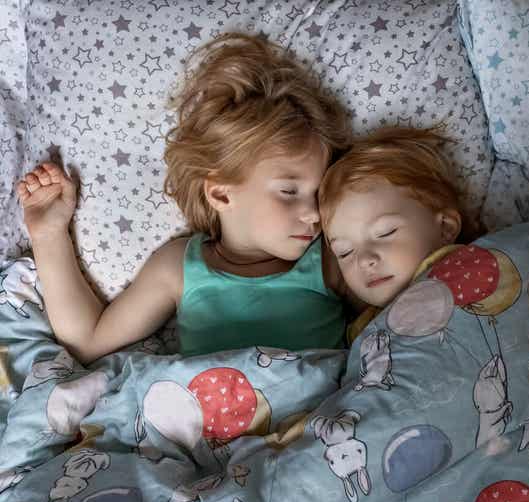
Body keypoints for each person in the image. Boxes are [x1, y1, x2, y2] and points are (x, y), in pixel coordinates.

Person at [15, 32, 354, 364]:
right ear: (221, 193)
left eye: (319, 193)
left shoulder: (332, 260)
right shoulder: (179, 267)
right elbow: (87, 341)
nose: (314, 213)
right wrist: (49, 235)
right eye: (289, 191)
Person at [318, 126, 476, 342]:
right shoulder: (362, 334)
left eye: (386, 233)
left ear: (445, 227)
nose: (364, 260)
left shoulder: (483, 270)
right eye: (344, 252)